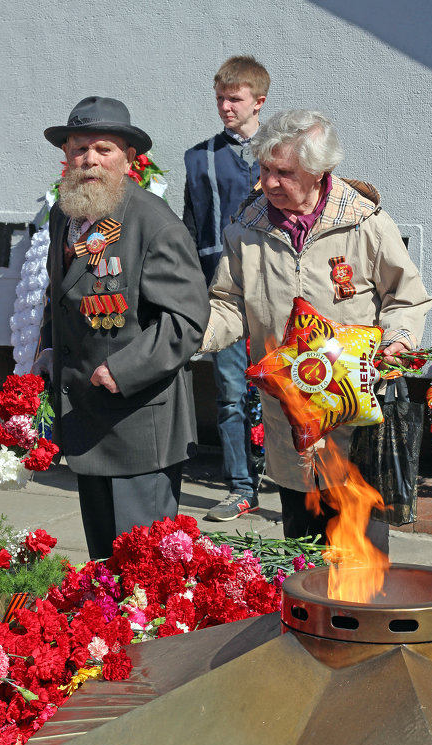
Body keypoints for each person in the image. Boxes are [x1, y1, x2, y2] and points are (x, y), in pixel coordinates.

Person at [200, 109, 432, 553]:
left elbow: (406, 297)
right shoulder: (246, 229)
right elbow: (228, 303)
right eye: (265, 169)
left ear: (318, 172)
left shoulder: (365, 223)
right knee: (304, 557)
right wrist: (191, 334)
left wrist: (397, 342)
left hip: (357, 416)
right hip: (291, 419)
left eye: (283, 173)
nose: (269, 183)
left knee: (361, 557)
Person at [33, 96, 210, 559]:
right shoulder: (64, 216)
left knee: (145, 571)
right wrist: (47, 354)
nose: (89, 160)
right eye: (78, 149)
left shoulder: (154, 223)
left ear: (129, 158)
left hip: (138, 423)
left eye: (103, 149)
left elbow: (187, 320)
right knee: (104, 566)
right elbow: (62, 299)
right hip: (85, 419)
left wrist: (122, 369)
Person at [183, 55, 270, 522]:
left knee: (295, 386)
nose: (224, 107)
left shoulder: (283, 152)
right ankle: (240, 486)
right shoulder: (200, 157)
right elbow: (191, 226)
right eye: (220, 98)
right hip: (224, 291)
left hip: (279, 290)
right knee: (231, 391)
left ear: (259, 101)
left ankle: (301, 481)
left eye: (233, 99)